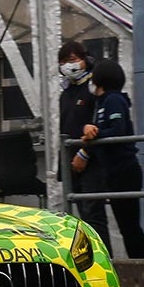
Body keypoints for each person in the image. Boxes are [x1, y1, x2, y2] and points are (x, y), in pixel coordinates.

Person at [76, 59, 144, 258]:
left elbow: (118, 130)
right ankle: (138, 263)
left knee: (130, 226)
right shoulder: (102, 103)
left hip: (125, 170)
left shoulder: (113, 100)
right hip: (114, 172)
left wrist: (96, 134)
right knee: (126, 226)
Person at [58, 41, 109, 253]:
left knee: (94, 216)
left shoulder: (92, 90)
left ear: (84, 60)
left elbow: (97, 125)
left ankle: (106, 258)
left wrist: (84, 152)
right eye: (63, 62)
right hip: (70, 162)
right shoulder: (66, 92)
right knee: (78, 220)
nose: (68, 66)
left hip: (91, 161)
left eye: (72, 60)